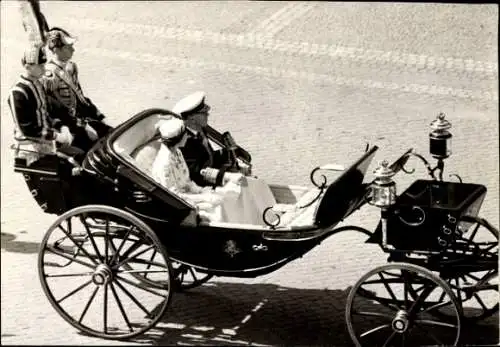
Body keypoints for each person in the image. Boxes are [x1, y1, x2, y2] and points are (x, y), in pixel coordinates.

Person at [151, 116, 242, 223]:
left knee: (224, 198)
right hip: (179, 205)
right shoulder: (164, 164)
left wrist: (201, 191)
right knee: (217, 208)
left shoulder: (177, 152)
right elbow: (174, 196)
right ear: (179, 138)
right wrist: (203, 198)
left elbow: (187, 181)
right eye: (185, 134)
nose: (187, 136)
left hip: (188, 196)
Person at [41, 27, 112, 151]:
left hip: (81, 119)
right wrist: (84, 126)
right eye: (68, 47)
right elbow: (53, 110)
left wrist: (100, 116)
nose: (73, 50)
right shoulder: (49, 76)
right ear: (57, 50)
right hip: (66, 126)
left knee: (111, 134)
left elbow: (80, 98)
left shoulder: (71, 67)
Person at [7, 44, 79, 166]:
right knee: (74, 166)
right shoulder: (18, 93)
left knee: (81, 153)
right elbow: (27, 130)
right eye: (39, 65)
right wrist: (57, 136)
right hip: (30, 149)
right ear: (27, 66)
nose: (44, 69)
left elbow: (46, 113)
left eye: (43, 64)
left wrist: (62, 126)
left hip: (47, 142)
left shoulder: (38, 84)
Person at [174, 91, 252, 187]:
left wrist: (231, 155)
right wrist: (226, 176)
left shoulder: (200, 131)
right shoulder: (184, 141)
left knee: (251, 184)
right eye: (204, 113)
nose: (208, 115)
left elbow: (208, 157)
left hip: (211, 179)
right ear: (192, 118)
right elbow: (196, 174)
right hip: (201, 187)